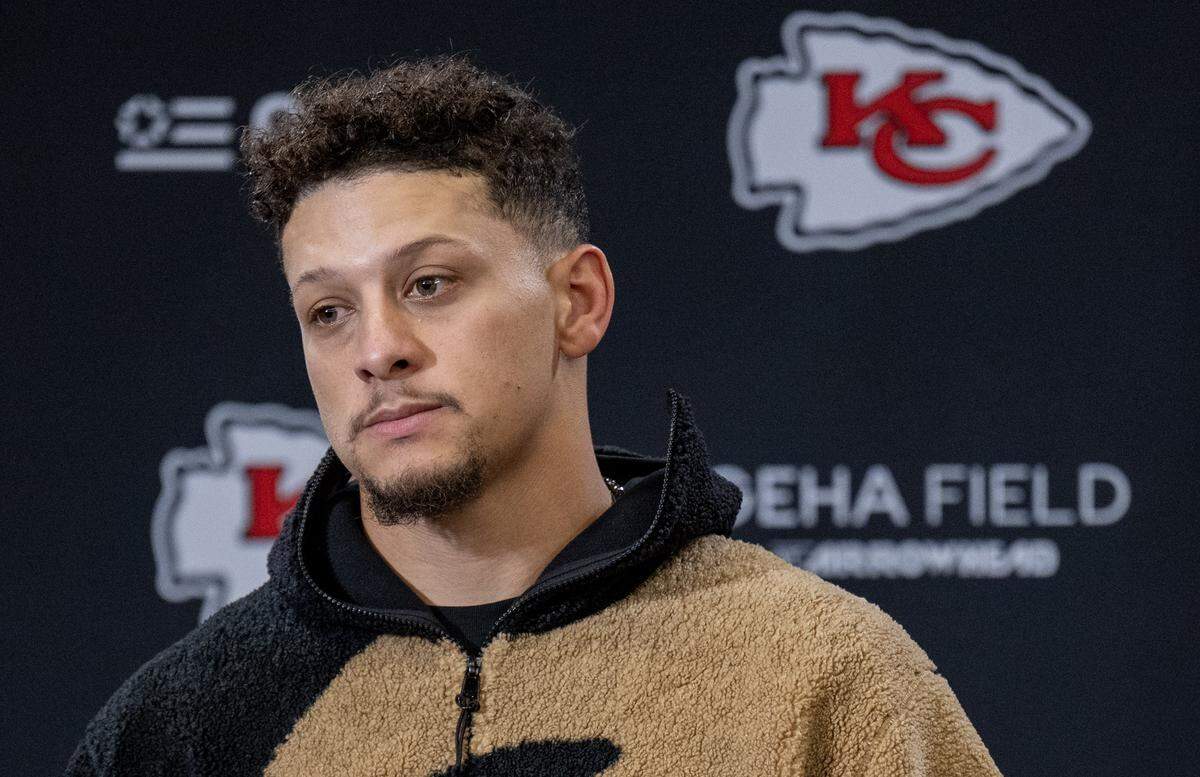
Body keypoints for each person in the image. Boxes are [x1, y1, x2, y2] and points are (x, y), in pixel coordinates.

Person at [66, 55, 1004, 776]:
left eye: (430, 283)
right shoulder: (183, 723)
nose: (376, 349)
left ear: (578, 300)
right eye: (328, 311)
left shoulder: (821, 674)